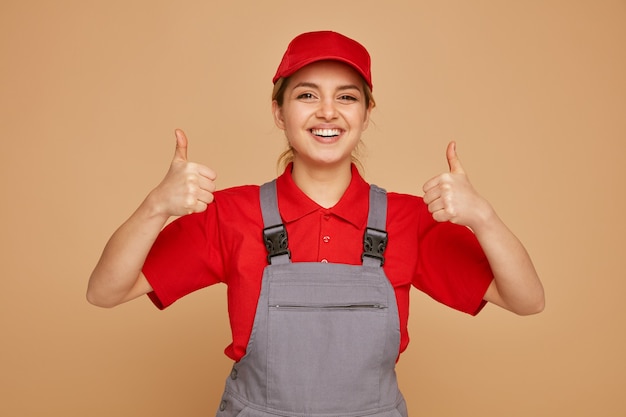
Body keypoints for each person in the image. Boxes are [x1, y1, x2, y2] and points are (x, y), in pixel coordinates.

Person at [87, 31, 544, 416]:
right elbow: (105, 292)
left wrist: (483, 217)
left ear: (366, 114)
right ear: (279, 112)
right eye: (307, 94)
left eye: (346, 97)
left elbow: (527, 300)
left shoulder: (409, 219)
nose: (328, 111)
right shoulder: (230, 213)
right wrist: (155, 207)